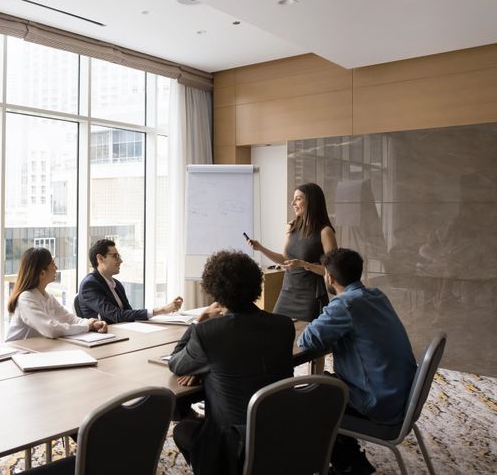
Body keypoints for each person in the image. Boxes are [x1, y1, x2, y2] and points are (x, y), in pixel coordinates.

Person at [169, 250, 295, 475]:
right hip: (282, 431)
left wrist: (199, 323)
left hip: (236, 444)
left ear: (214, 288)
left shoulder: (208, 333)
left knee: (182, 430)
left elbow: (176, 364)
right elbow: (247, 357)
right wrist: (209, 367)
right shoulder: (284, 325)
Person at [299, 248, 417, 475]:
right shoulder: (377, 295)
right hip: (399, 394)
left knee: (311, 400)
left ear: (329, 278)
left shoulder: (344, 305)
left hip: (378, 402)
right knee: (324, 384)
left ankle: (349, 466)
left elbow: (307, 340)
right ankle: (352, 461)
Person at [247, 182, 337, 321]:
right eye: (293, 198)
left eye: (298, 198)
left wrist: (303, 264)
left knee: (304, 338)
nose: (293, 203)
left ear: (311, 202)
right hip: (287, 291)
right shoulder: (292, 226)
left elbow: (332, 269)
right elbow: (284, 259)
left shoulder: (325, 232)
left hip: (310, 295)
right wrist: (260, 248)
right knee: (276, 330)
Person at [5, 247, 107, 342]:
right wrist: (86, 326)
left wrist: (92, 323)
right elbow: (51, 329)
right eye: (53, 264)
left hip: (35, 351)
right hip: (15, 354)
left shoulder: (47, 297)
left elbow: (69, 319)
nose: (56, 268)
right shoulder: (26, 298)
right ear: (42, 273)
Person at [77, 239, 183, 324]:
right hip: (104, 341)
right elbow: (117, 315)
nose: (120, 261)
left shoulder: (116, 284)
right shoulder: (90, 285)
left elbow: (128, 314)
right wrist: (161, 310)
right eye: (115, 256)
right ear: (100, 259)